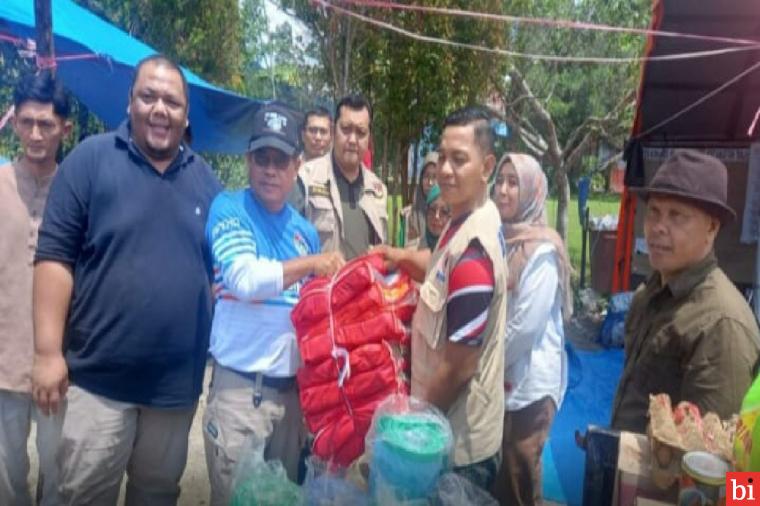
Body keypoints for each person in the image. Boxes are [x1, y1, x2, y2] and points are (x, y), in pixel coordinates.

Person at [32, 54, 222, 505]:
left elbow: (220, 275)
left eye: (172, 102)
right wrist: (46, 352)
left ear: (186, 114)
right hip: (99, 384)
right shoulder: (90, 161)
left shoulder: (206, 183)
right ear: (130, 102)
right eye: (149, 97)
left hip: (175, 393)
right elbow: (54, 259)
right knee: (82, 495)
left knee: (156, 495)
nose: (160, 109)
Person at [202, 103, 344, 505]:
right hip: (241, 398)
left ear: (297, 166)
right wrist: (313, 263)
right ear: (248, 161)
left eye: (280, 160)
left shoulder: (304, 232)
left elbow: (311, 315)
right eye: (261, 159)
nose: (270, 170)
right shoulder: (229, 209)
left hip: (292, 401)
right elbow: (245, 280)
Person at [377, 106, 507, 490]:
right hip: (447, 430)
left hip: (456, 447)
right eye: (442, 157)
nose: (445, 170)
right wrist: (399, 256)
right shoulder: (463, 216)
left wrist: (413, 425)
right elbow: (436, 266)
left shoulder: (473, 256)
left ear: (487, 167)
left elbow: (458, 368)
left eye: (459, 160)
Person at [611, 149, 760, 433]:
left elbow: (718, 463)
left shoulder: (722, 325)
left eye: (677, 216)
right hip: (623, 465)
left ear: (712, 228)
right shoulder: (649, 293)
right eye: (653, 212)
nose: (657, 228)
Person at [0, 71, 71, 506]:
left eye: (46, 124)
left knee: (60, 477)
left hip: (59, 368)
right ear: (13, 121)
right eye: (26, 122)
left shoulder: (78, 189)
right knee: (7, 480)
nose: (35, 133)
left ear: (66, 128)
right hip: (3, 361)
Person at [490, 154, 572, 505]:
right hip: (507, 376)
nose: (504, 190)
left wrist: (486, 366)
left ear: (532, 193)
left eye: (514, 183)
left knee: (521, 476)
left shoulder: (541, 251)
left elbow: (524, 327)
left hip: (530, 385)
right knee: (504, 476)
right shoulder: (505, 239)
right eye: (501, 181)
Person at [301, 94, 388, 260]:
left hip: (366, 284)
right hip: (320, 285)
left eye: (361, 132)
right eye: (346, 129)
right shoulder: (306, 179)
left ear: (369, 137)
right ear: (334, 131)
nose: (353, 140)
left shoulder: (378, 190)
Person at [287, 107, 332, 215]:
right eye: (312, 130)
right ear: (303, 135)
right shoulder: (288, 167)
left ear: (331, 136)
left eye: (323, 131)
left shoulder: (336, 173)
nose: (317, 137)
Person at [401, 151, 439, 247]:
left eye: (435, 177)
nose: (430, 183)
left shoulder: (448, 216)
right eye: (426, 176)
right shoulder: (408, 216)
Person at [419, 183, 449, 250]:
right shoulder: (413, 251)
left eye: (444, 211)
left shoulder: (457, 254)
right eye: (432, 209)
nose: (436, 216)